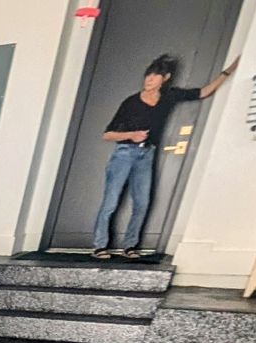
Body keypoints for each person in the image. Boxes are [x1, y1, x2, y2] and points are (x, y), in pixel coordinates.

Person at [93, 53, 238, 260]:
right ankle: (99, 245)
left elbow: (203, 92)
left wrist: (228, 71)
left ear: (166, 78)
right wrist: (131, 135)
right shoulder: (131, 103)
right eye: (148, 75)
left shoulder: (169, 97)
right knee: (111, 200)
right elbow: (107, 134)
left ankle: (130, 245)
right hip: (124, 154)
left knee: (142, 202)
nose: (150, 79)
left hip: (147, 155)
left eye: (155, 75)